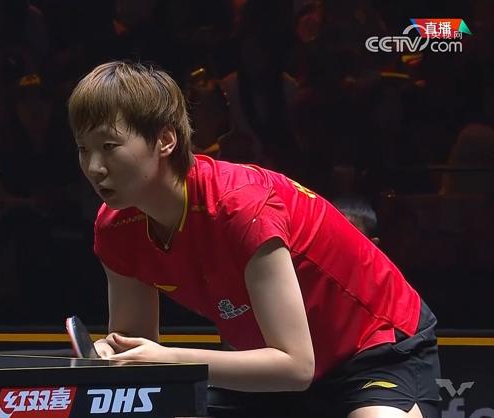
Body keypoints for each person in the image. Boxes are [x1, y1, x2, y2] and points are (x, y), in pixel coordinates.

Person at [67, 61, 440, 418]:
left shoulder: (240, 207)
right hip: (268, 367)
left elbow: (295, 365)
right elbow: (133, 342)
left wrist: (172, 359)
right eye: (84, 149)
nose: (94, 167)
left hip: (374, 350)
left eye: (109, 146)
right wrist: (113, 352)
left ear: (165, 140)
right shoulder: (116, 228)